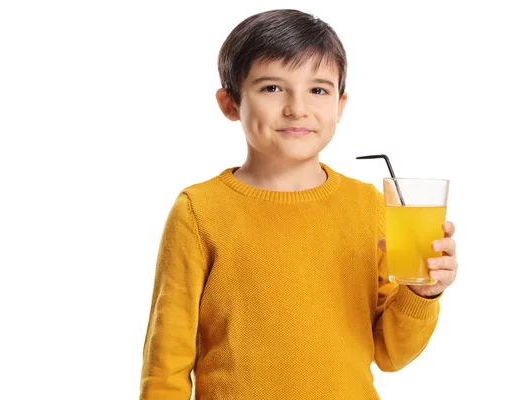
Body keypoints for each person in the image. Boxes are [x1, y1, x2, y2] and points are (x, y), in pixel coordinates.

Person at [139, 8, 458, 400]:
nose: (297, 108)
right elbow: (166, 360)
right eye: (272, 88)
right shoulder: (198, 210)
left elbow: (391, 354)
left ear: (340, 105)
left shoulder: (371, 206)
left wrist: (421, 293)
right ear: (230, 103)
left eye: (318, 90)